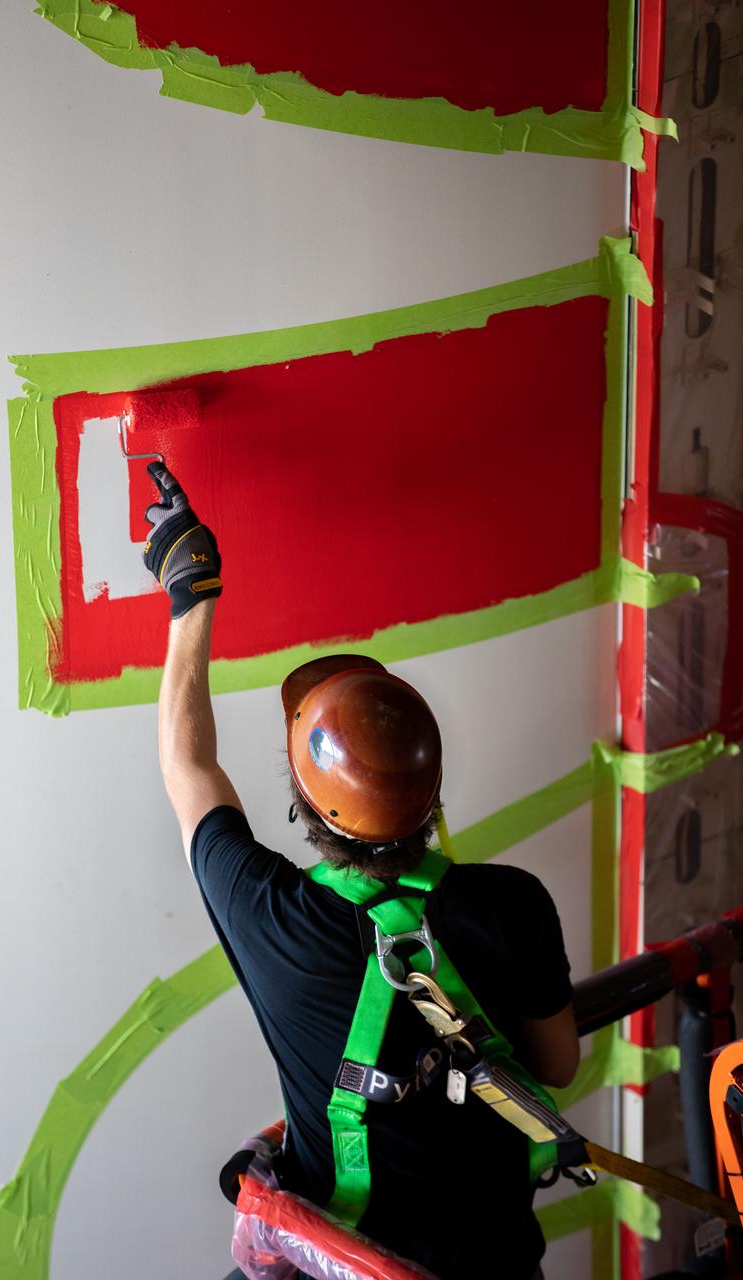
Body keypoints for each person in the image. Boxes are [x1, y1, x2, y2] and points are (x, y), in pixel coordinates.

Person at [142, 462, 580, 1279]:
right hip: (500, 1261)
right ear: (433, 791)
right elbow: (556, 1067)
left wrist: (188, 590)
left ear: (304, 805)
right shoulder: (513, 904)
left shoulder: (273, 919)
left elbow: (187, 767)